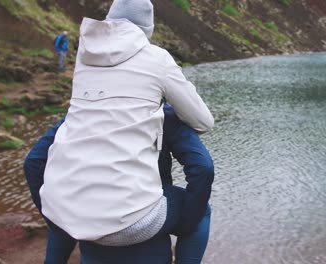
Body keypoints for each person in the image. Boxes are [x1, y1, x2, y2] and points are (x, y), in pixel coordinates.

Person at [40, 0, 214, 248]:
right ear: (147, 29)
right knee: (201, 212)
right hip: (129, 222)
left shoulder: (84, 55)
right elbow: (203, 122)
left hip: (62, 210)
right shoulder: (157, 58)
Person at [24, 104, 214, 263]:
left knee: (60, 206)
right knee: (200, 210)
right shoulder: (162, 114)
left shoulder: (83, 112)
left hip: (86, 210)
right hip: (142, 217)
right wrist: (185, 223)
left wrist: (58, 218)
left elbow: (35, 162)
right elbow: (203, 168)